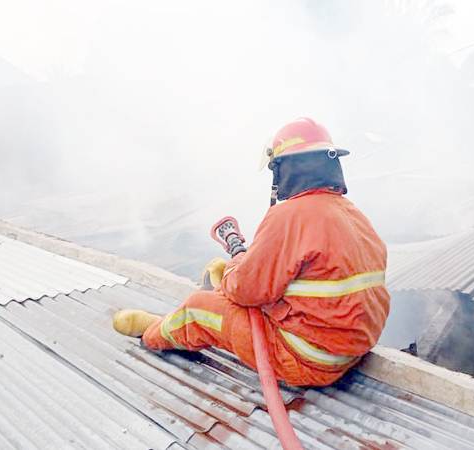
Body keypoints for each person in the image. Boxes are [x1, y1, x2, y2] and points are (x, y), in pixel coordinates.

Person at [112, 117, 389, 386]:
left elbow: (247, 291)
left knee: (198, 307)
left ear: (283, 169)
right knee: (231, 289)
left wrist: (233, 270)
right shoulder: (353, 215)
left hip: (307, 359)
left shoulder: (290, 216)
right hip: (349, 353)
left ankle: (153, 333)